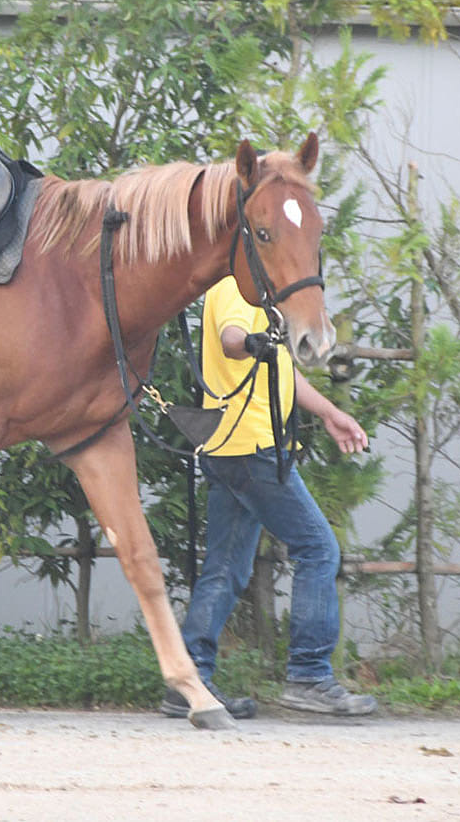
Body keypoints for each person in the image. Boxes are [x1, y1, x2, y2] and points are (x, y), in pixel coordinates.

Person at [161, 275, 376, 719]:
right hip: (252, 450)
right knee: (318, 549)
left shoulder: (265, 296)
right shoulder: (234, 287)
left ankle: (188, 681)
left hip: (231, 447)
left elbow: (282, 371)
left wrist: (332, 414)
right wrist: (256, 341)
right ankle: (309, 675)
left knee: (225, 567)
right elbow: (232, 340)